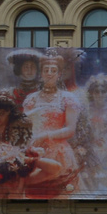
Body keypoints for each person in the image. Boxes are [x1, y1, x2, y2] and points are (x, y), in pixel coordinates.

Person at [19, 51, 83, 197]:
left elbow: (70, 129)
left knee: (60, 194)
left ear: (59, 74)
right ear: (40, 74)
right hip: (35, 149)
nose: (49, 74)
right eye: (46, 70)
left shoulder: (67, 98)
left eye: (53, 71)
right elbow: (25, 127)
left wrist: (46, 135)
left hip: (59, 151)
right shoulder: (32, 99)